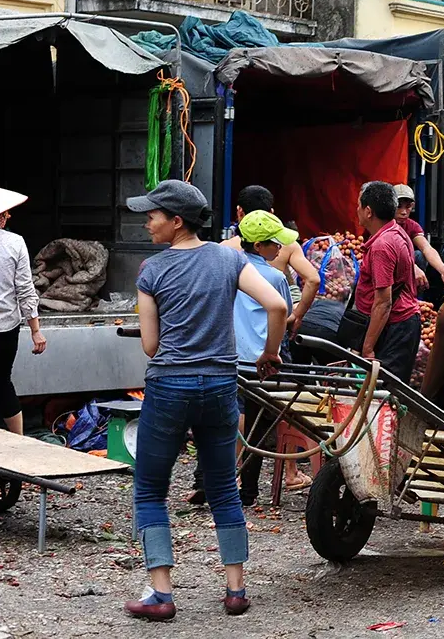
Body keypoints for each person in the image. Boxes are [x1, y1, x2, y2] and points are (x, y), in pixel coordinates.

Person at [126, 180, 288, 620]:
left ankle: (161, 595)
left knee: (150, 489)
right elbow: (276, 306)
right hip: (220, 385)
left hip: (169, 387)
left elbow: (150, 346)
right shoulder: (230, 258)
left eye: (153, 215)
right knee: (222, 487)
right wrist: (270, 353)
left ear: (176, 221)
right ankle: (235, 590)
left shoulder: (152, 271)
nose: (147, 222)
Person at [232, 211, 308, 495]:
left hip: (234, 357)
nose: (279, 248)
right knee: (260, 424)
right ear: (258, 246)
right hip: (263, 359)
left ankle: (226, 481)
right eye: (274, 243)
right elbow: (284, 313)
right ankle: (249, 488)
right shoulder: (275, 277)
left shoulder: (231, 270)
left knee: (232, 417)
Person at [221, 185, 320, 336]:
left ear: (239, 211)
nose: (278, 247)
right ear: (272, 213)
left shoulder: (224, 249)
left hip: (236, 331)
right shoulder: (288, 248)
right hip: (273, 329)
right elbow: (313, 279)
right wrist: (297, 315)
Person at [348, 182, 422, 380]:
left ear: (369, 211)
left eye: (359, 205)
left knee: (384, 395)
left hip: (395, 326)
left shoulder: (383, 246)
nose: (357, 210)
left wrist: (368, 348)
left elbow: (384, 301)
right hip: (398, 324)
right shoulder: (396, 232)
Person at [0, 188, 45, 436]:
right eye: (6, 212)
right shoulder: (14, 243)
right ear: (0, 217)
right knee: (2, 383)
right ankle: (18, 446)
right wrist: (36, 331)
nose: (9, 217)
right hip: (4, 329)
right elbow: (25, 290)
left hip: (5, 327)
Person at [392, 184, 444, 293]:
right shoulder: (383, 223)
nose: (403, 212)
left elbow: (427, 248)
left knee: (419, 256)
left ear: (412, 206)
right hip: (386, 270)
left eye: (408, 207)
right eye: (399, 206)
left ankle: (411, 295)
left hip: (404, 272)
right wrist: (412, 268)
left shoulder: (412, 226)